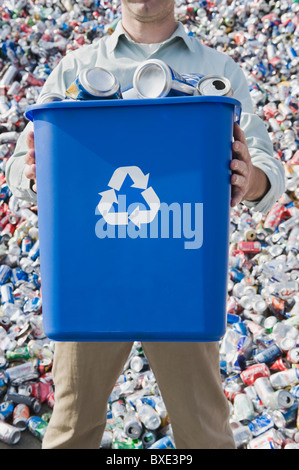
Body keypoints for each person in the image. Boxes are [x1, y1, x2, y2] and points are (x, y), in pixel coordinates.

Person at [6, 0, 285, 449]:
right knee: (72, 425)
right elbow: (22, 165)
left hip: (183, 272)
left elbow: (267, 167)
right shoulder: (78, 66)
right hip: (90, 277)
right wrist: (36, 173)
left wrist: (249, 178)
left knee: (203, 428)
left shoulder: (217, 68)